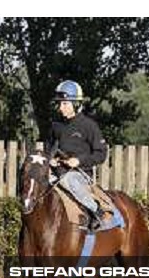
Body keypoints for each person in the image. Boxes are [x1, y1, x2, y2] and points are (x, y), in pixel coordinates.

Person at [46, 80, 109, 229]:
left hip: (80, 176)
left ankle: (96, 211)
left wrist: (79, 161)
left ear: (76, 104)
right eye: (59, 104)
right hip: (56, 174)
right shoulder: (56, 126)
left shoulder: (89, 126)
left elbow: (101, 154)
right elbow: (49, 149)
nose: (60, 108)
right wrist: (51, 159)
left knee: (69, 180)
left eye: (64, 104)